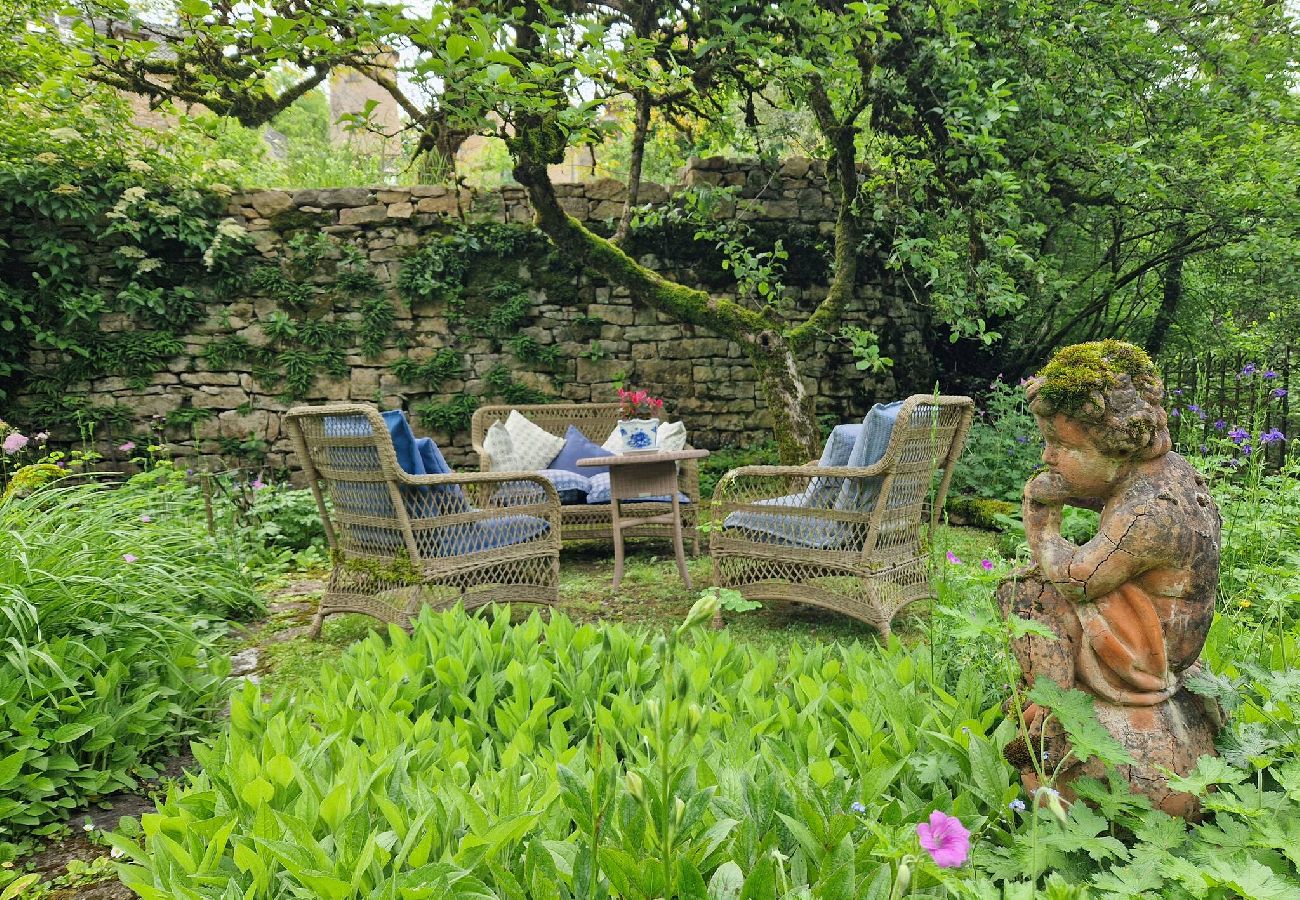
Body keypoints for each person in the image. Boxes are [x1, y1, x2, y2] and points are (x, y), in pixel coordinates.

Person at [998, 340, 1221, 815]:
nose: (1048, 455)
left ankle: (1048, 710)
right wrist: (1072, 490)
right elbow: (1103, 491)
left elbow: (1080, 579)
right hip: (1169, 640)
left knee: (1026, 593)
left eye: (1063, 445)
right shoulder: (1168, 476)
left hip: (1144, 656)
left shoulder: (1147, 513)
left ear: (1116, 446)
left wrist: (1041, 522)